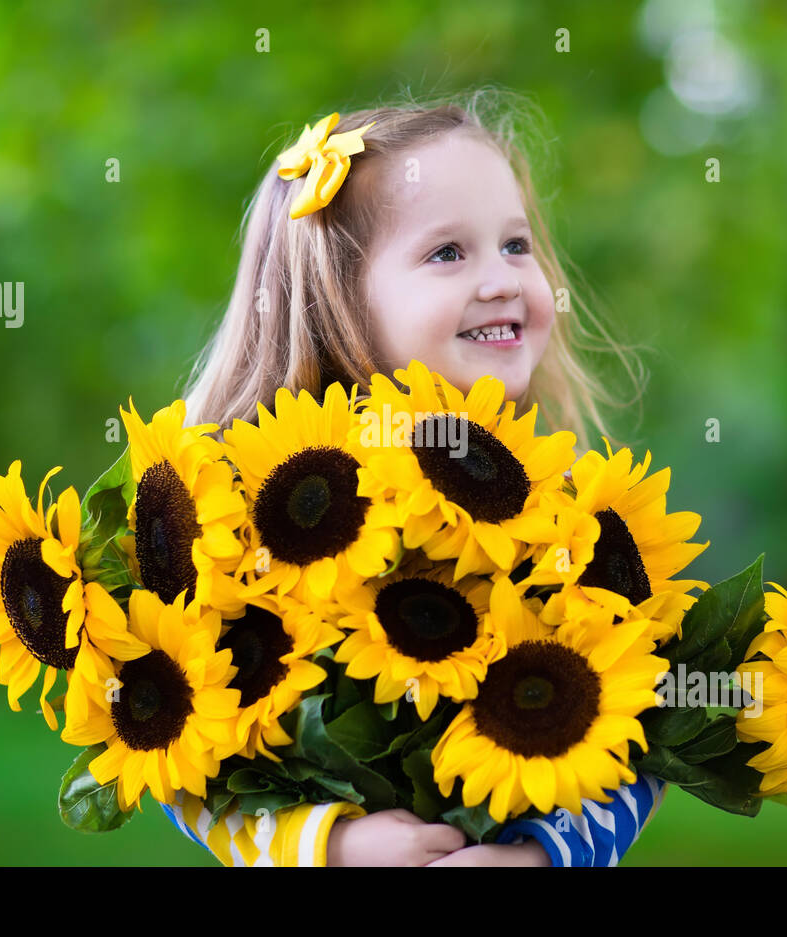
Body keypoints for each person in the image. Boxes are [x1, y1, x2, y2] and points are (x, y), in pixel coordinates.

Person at [161, 87, 667, 866]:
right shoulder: (246, 528)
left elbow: (642, 730)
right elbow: (184, 762)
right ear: (338, 302)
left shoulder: (568, 521)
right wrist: (329, 845)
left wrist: (539, 855)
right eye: (448, 253)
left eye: (516, 245)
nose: (501, 279)